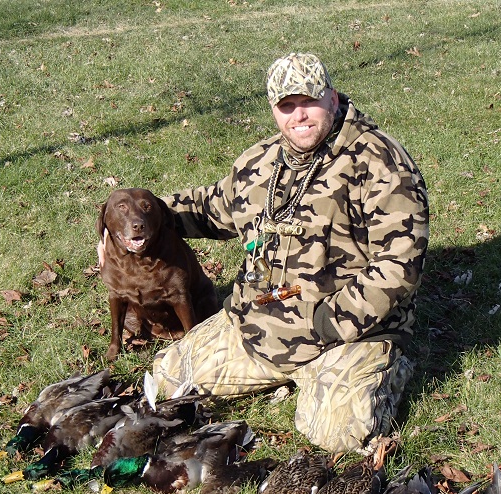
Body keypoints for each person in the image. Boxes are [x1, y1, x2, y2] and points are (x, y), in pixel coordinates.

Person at [150, 52, 429, 453]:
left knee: (337, 434)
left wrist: (327, 322)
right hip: (260, 323)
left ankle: (387, 368)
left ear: (332, 98)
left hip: (343, 334)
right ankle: (283, 372)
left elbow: (400, 265)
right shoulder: (258, 162)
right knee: (165, 382)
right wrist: (137, 216)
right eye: (286, 106)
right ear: (274, 111)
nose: (298, 115)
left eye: (308, 102)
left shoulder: (381, 164)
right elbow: (212, 208)